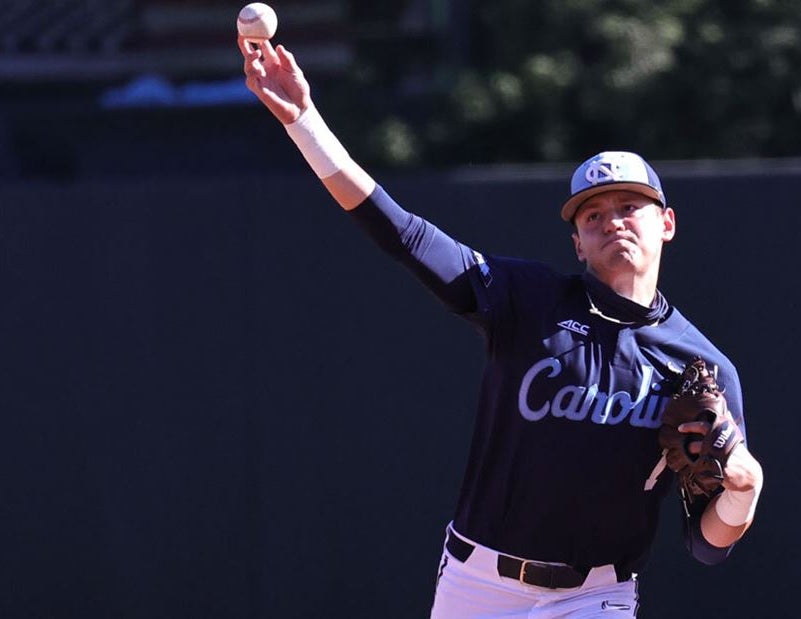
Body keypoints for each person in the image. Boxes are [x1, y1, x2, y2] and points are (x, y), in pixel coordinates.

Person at [239, 36, 765, 618]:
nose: (612, 222)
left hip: (597, 593)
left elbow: (708, 544)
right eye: (594, 214)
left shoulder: (703, 367)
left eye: (628, 208)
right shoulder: (526, 301)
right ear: (578, 243)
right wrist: (305, 123)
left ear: (665, 223)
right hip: (479, 585)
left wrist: (744, 488)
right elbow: (404, 235)